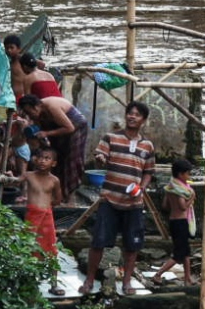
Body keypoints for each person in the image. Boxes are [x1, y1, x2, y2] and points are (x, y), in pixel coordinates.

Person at [81, 101, 156, 296]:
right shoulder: (111, 138)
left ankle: (127, 282)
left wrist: (142, 188)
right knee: (98, 242)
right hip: (110, 199)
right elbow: (100, 156)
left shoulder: (147, 145)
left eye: (137, 114)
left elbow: (148, 172)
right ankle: (89, 281)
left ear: (143, 120)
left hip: (134, 203)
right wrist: (101, 160)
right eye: (129, 113)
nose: (132, 116)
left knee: (132, 245)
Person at [18, 92, 90, 201]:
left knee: (71, 159)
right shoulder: (37, 114)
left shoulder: (52, 107)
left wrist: (47, 134)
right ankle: (56, 192)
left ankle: (69, 195)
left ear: (37, 107)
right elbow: (38, 130)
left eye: (30, 112)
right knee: (56, 156)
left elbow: (69, 128)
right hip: (60, 128)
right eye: (27, 113)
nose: (30, 115)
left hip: (76, 126)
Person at [20, 146, 66, 295]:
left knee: (51, 250)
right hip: (32, 216)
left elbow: (58, 200)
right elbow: (13, 181)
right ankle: (28, 282)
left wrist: (45, 207)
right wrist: (8, 176)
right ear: (35, 159)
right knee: (29, 248)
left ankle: (54, 284)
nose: (42, 161)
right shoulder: (28, 175)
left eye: (47, 158)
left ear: (53, 163)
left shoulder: (54, 180)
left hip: (46, 217)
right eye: (40, 157)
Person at [152, 158, 197, 286]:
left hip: (173, 220)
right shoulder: (180, 190)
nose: (189, 176)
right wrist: (192, 197)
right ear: (180, 174)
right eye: (187, 173)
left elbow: (165, 206)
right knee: (179, 255)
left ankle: (187, 278)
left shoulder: (170, 187)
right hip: (181, 222)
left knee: (186, 251)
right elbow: (183, 207)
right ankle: (158, 274)